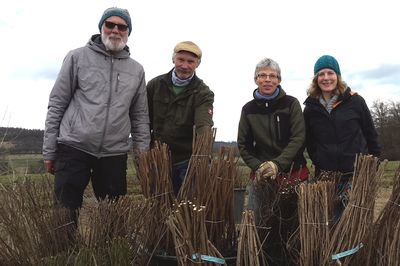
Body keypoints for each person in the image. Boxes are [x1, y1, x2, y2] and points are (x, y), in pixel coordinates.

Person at [43, 7, 150, 217]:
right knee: (65, 208)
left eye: (121, 27)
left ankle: (110, 251)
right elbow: (57, 103)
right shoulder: (77, 57)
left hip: (114, 152)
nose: (115, 30)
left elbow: (140, 117)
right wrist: (49, 150)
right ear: (101, 27)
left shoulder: (136, 70)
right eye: (110, 25)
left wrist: (142, 158)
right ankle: (64, 250)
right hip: (74, 146)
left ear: (128, 32)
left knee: (114, 214)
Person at [237, 57, 309, 265]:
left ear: (279, 80)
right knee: (261, 224)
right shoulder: (248, 109)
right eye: (262, 76)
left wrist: (277, 164)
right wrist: (259, 166)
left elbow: (299, 138)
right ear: (255, 79)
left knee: (294, 225)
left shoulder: (291, 104)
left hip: (294, 174)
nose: (267, 79)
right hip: (262, 177)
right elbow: (243, 144)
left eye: (272, 76)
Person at [303, 55, 381, 221]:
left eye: (330, 73)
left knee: (353, 222)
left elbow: (371, 135)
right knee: (329, 221)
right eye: (321, 74)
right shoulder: (310, 108)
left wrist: (372, 166)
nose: (326, 78)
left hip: (354, 174)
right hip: (326, 177)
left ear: (337, 76)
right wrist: (318, 160)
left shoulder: (356, 102)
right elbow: (309, 141)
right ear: (316, 79)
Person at [146, 41, 214, 195]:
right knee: (158, 206)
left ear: (198, 64)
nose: (185, 65)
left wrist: (203, 156)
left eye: (190, 62)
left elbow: (203, 125)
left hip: (186, 161)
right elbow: (144, 120)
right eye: (181, 60)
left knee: (185, 207)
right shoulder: (155, 85)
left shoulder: (203, 93)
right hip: (157, 158)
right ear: (173, 59)